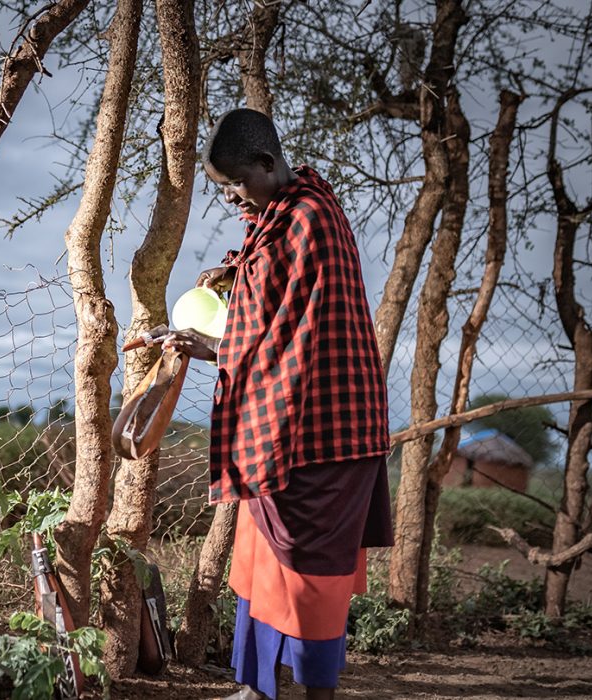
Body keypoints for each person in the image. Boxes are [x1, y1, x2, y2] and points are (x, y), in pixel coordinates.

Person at [162, 109, 393, 700]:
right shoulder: (286, 211)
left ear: (267, 163)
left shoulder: (309, 219)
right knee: (260, 557)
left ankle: (318, 693)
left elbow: (288, 331)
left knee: (313, 571)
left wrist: (210, 346)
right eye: (224, 188)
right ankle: (258, 689)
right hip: (288, 427)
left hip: (326, 430)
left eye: (237, 183)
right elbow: (268, 287)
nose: (234, 198)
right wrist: (229, 273)